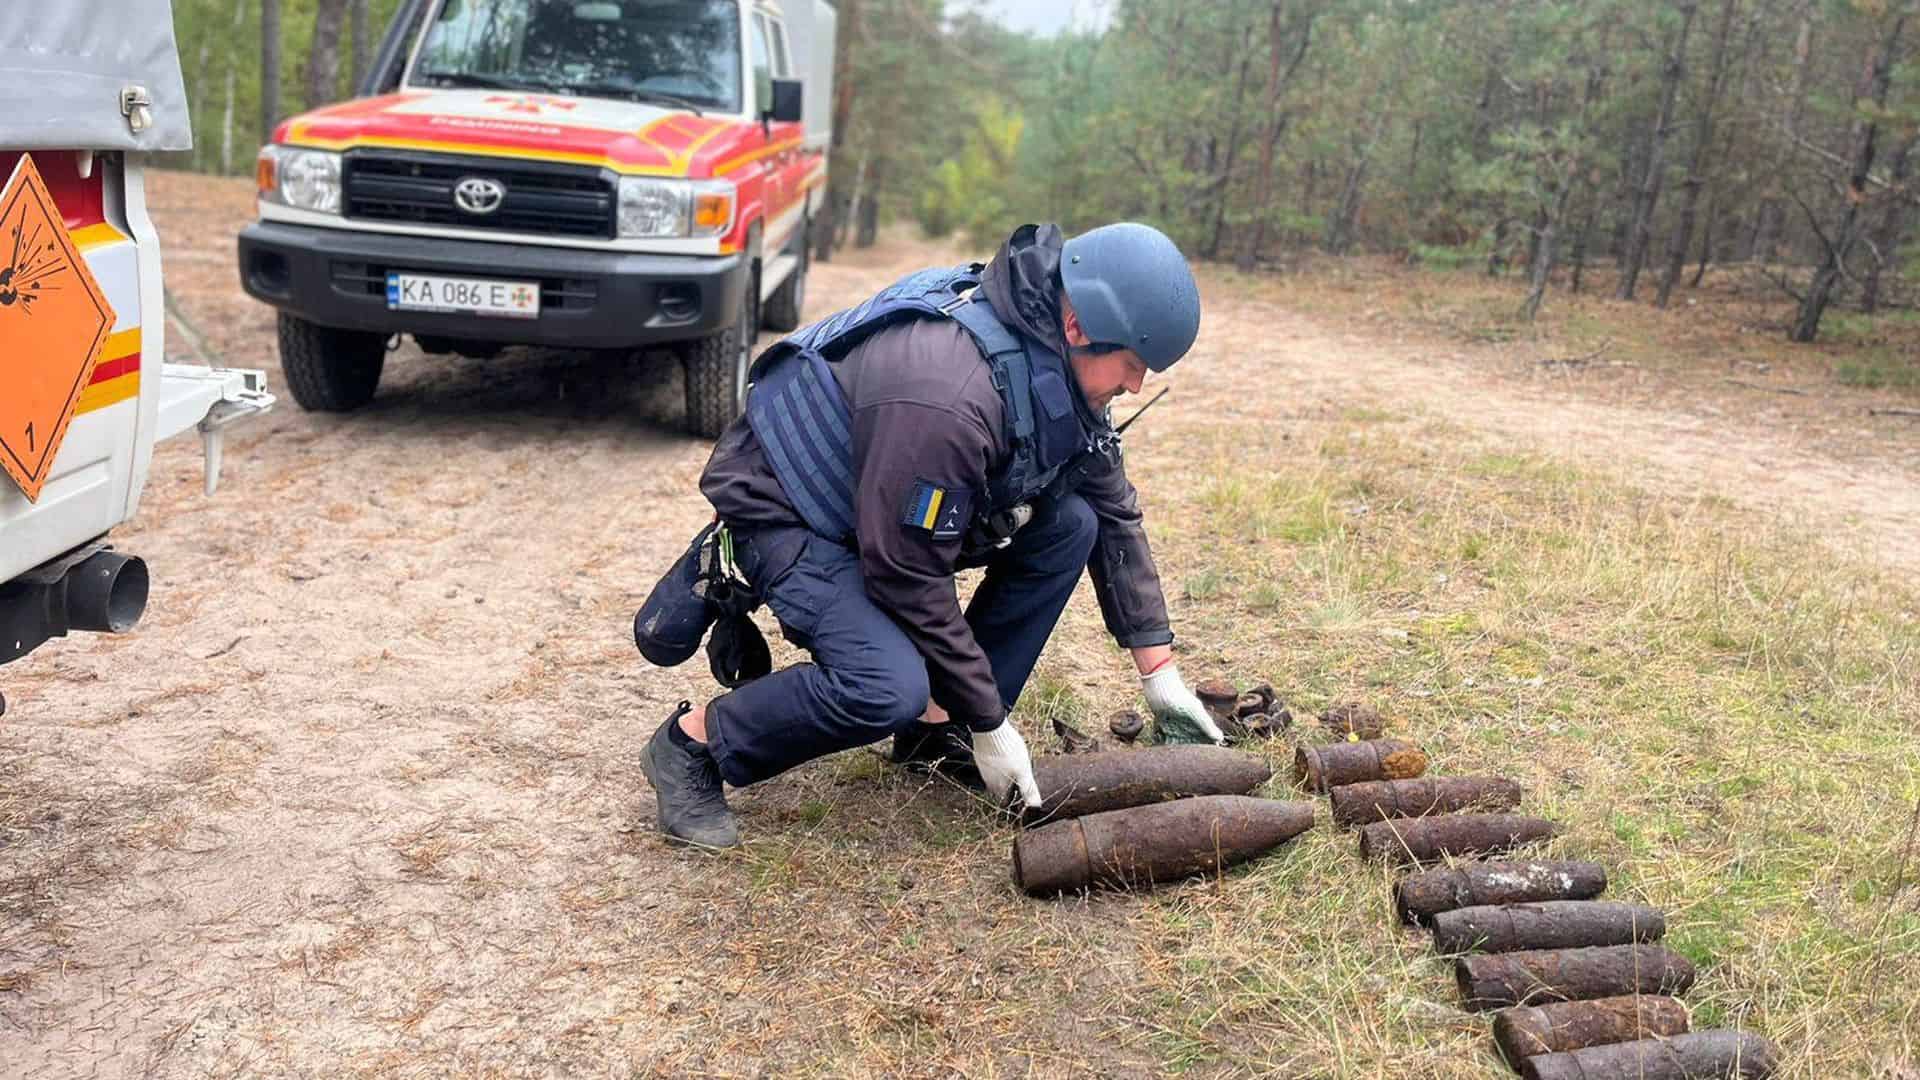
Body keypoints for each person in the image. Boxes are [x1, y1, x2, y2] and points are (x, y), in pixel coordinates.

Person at [631, 221, 1224, 848]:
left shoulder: (1054, 355)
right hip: (789, 509)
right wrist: (990, 720)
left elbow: (1113, 510)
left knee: (1071, 523)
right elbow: (906, 574)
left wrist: (1159, 673)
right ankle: (691, 744)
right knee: (885, 685)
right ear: (1077, 326)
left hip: (886, 507)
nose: (1135, 385)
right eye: (1131, 364)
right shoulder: (950, 395)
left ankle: (937, 729)